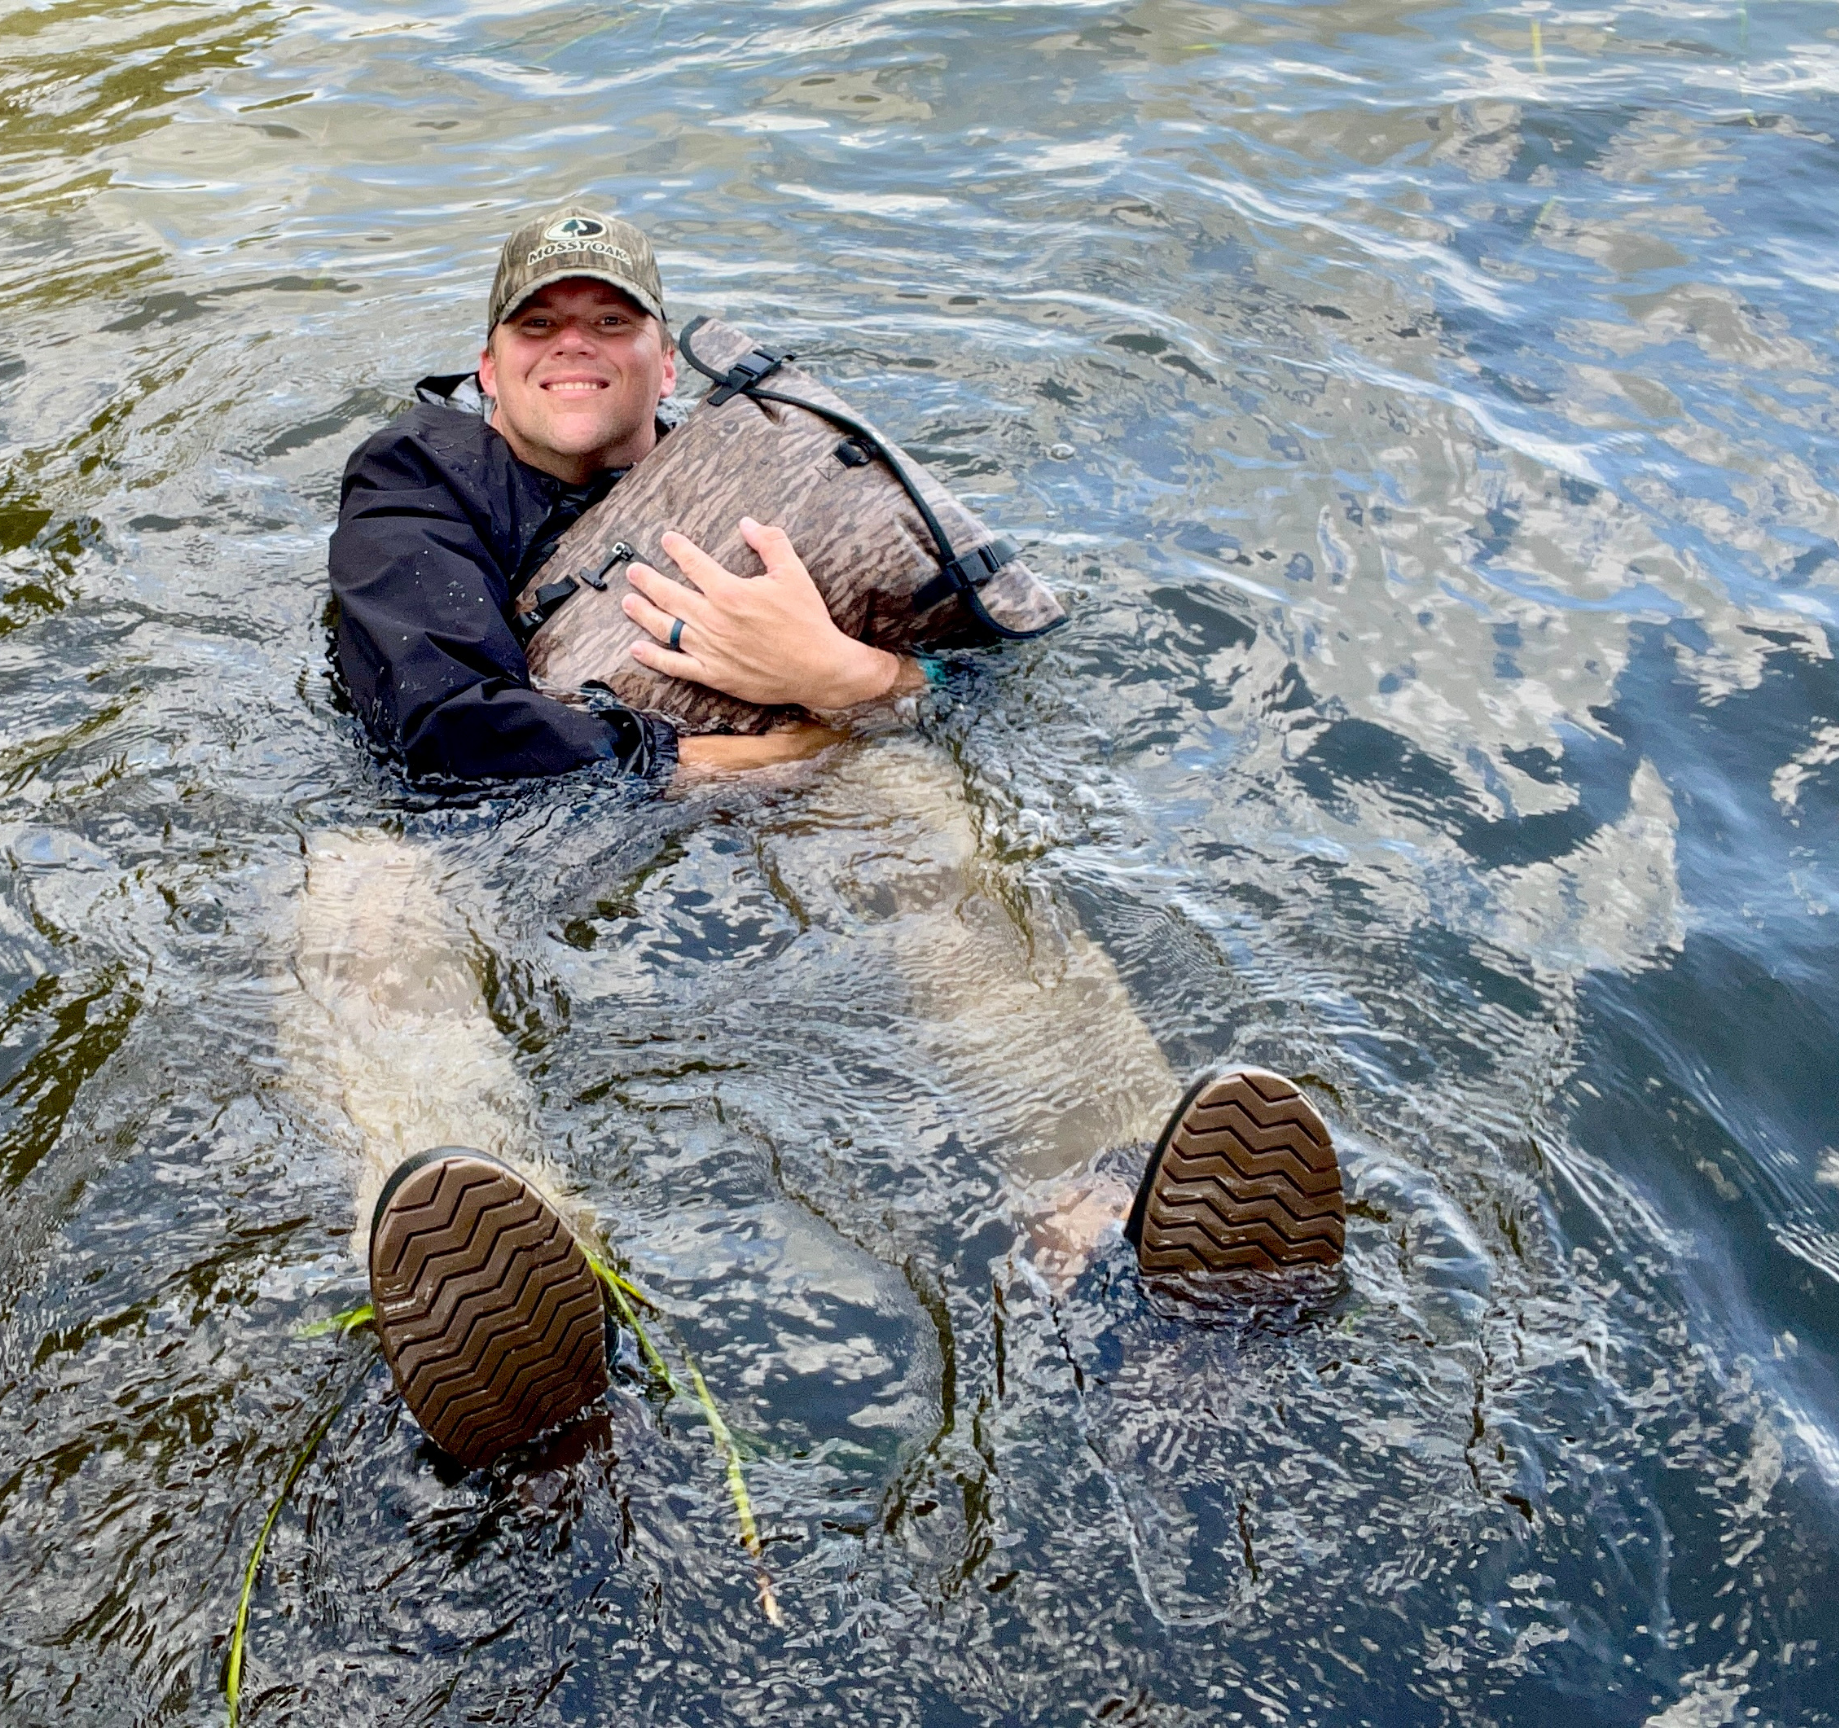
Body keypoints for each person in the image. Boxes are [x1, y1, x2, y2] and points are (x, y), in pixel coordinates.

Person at [303, 205, 1346, 1470]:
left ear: (667, 365)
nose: (574, 345)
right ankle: (526, 1314)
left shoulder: (780, 484)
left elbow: (996, 688)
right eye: (539, 324)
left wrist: (843, 674)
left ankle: (1114, 1209)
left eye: (611, 321)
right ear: (488, 365)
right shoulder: (416, 472)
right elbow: (435, 724)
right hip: (491, 836)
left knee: (911, 805)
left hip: (752, 805)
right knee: (352, 895)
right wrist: (729, 754)